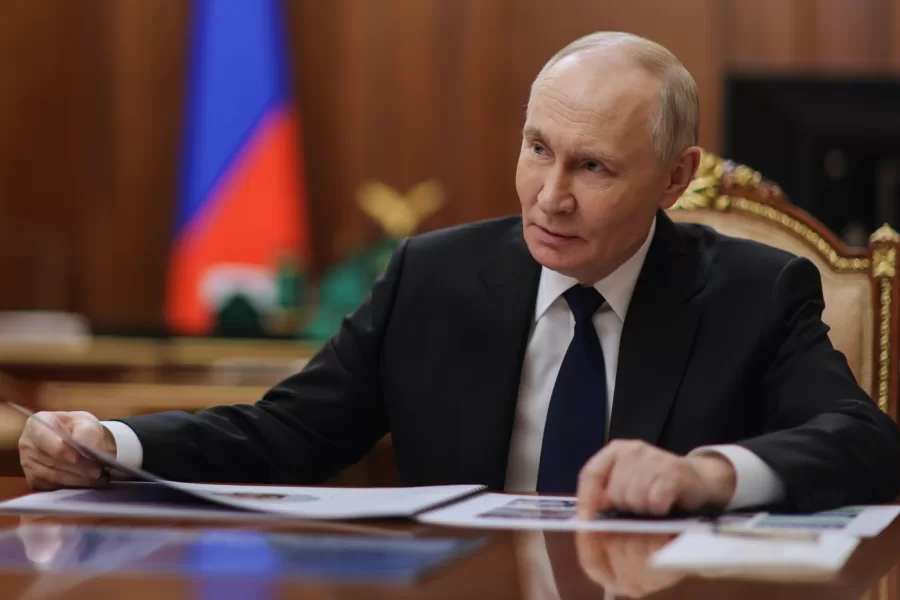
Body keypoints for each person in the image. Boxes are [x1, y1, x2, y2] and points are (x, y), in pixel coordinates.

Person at [18, 32, 900, 516]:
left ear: (677, 176)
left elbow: (865, 443)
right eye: (537, 150)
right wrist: (111, 446)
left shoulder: (755, 290)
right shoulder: (434, 277)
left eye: (593, 168)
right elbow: (285, 434)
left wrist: (709, 473)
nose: (548, 197)